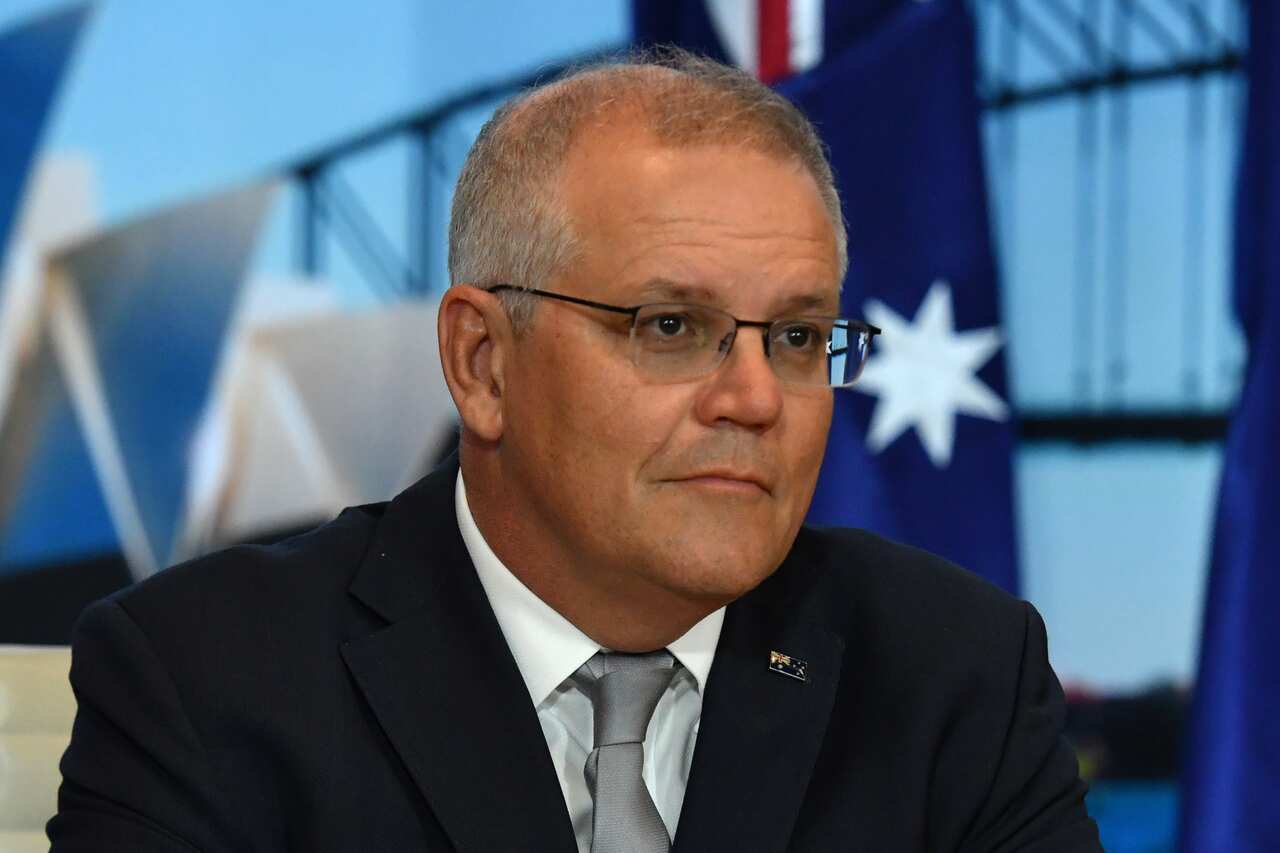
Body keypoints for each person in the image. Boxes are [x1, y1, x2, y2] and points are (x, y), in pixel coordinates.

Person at [49, 52, 1101, 852]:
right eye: (669, 327)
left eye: (792, 337)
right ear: (482, 363)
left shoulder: (954, 674)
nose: (750, 398)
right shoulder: (205, 679)